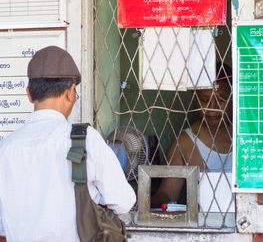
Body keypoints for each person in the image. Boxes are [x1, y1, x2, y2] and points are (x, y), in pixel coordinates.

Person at [0, 46, 136, 242]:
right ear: (71, 92)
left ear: (29, 94)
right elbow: (123, 201)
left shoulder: (5, 149)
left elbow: (3, 228)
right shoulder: (84, 139)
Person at [151, 64, 232, 208]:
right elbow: (169, 193)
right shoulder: (184, 144)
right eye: (205, 100)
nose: (211, 107)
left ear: (234, 98)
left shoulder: (250, 138)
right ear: (196, 99)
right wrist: (147, 202)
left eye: (221, 99)